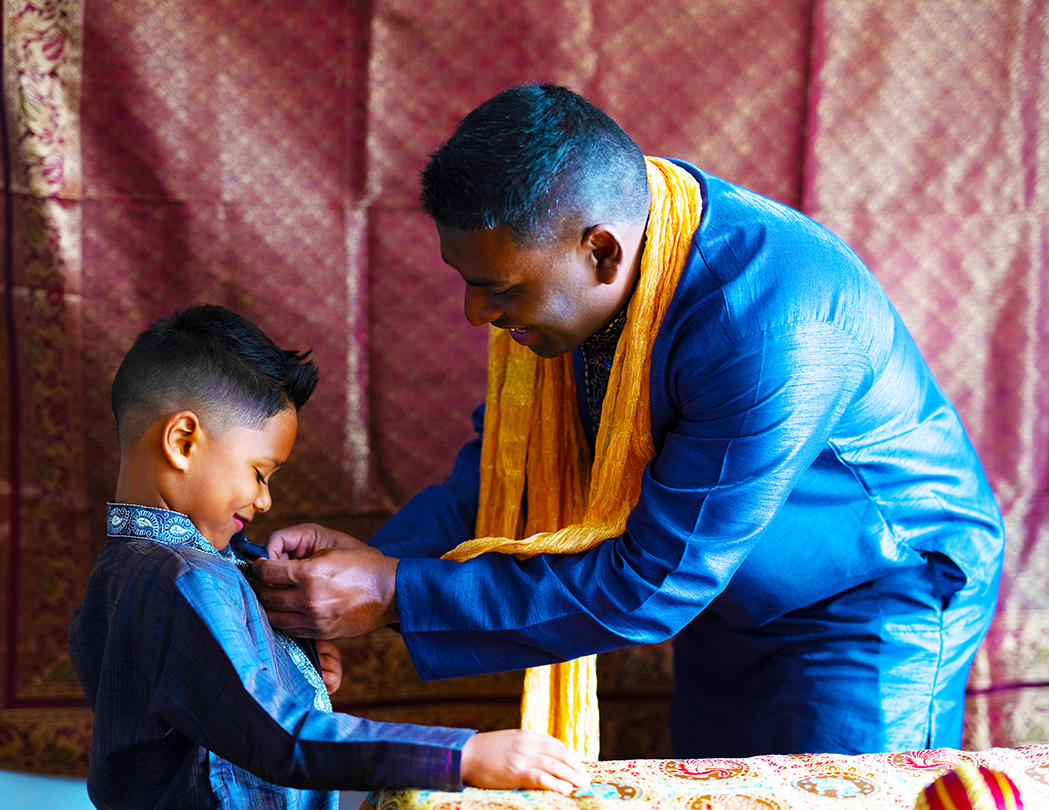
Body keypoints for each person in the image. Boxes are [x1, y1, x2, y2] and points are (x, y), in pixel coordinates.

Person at [251, 84, 1006, 758]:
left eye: (499, 290)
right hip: (725, 587)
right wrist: (371, 560)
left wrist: (391, 593)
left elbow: (655, 581)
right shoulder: (595, 272)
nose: (476, 314)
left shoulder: (769, 325)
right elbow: (506, 472)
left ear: (602, 253)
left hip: (870, 597)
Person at [68, 304, 588, 810]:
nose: (266, 500)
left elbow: (197, 699)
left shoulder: (125, 571)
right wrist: (464, 754)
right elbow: (275, 736)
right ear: (183, 441)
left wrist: (296, 663)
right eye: (259, 472)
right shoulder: (184, 579)